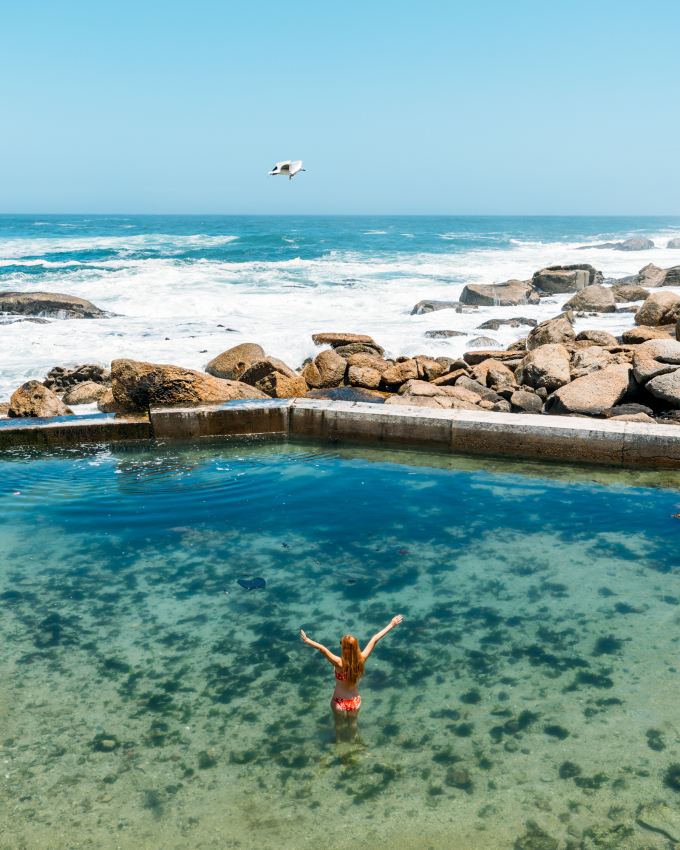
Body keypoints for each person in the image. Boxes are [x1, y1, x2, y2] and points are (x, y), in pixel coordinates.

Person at [300, 615, 402, 743]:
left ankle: (337, 739)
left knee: (338, 723)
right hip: (354, 701)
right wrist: (391, 624)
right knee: (353, 723)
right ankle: (353, 740)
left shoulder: (338, 663)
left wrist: (307, 640)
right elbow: (375, 638)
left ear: (343, 648)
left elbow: (322, 648)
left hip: (338, 702)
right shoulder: (362, 659)